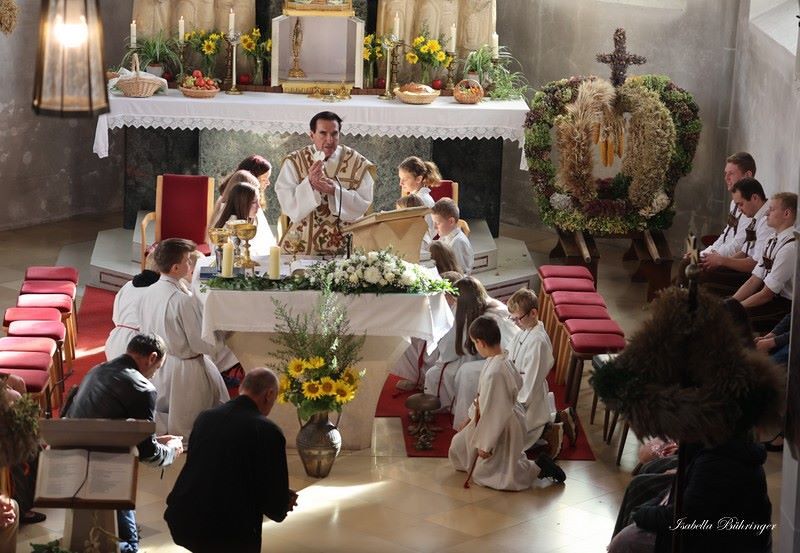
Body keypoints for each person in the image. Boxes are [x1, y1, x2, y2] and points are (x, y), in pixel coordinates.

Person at [62, 334, 184, 553]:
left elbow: (109, 424)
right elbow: (148, 453)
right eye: (157, 368)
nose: (154, 374)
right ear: (152, 357)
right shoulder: (142, 387)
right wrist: (171, 451)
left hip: (72, 461)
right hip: (108, 470)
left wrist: (156, 440)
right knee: (128, 540)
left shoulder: (97, 370)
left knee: (86, 537)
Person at [165, 368, 297, 553]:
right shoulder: (267, 430)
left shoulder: (206, 417)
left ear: (242, 387)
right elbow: (273, 494)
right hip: (228, 529)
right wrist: (283, 503)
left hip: (185, 516)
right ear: (269, 394)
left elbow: (203, 466)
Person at [448, 315, 565, 490]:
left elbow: (496, 411)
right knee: (459, 447)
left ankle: (539, 467)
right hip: (493, 418)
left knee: (497, 476)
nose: (475, 346)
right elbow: (484, 397)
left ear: (481, 343)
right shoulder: (500, 359)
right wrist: (471, 416)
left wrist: (486, 445)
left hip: (503, 426)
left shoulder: (496, 371)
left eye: (474, 342)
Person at [137, 238, 230, 438]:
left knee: (167, 417)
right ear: (175, 267)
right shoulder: (182, 301)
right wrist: (222, 334)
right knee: (190, 426)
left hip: (159, 365)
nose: (190, 264)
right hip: (186, 370)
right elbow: (200, 342)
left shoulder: (147, 292)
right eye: (187, 260)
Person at [275, 111, 375, 255]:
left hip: (346, 245)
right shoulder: (294, 162)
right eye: (323, 133)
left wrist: (335, 191)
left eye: (334, 134)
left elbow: (363, 204)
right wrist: (309, 183)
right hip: (302, 245)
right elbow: (288, 206)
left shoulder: (357, 162)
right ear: (312, 135)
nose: (329, 140)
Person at [431, 277, 519, 425]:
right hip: (488, 356)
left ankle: (467, 422)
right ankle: (457, 411)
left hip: (504, 360)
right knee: (444, 371)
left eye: (456, 300)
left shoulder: (491, 317)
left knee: (466, 372)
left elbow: (505, 349)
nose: (454, 303)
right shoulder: (477, 308)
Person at [505, 288, 574, 452]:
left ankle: (550, 432)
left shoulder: (538, 342)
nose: (516, 323)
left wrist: (517, 403)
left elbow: (532, 379)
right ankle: (560, 417)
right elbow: (509, 355)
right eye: (513, 318)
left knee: (513, 441)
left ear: (533, 313)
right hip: (518, 387)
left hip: (529, 395)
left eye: (518, 318)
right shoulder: (524, 331)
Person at [733, 191, 797, 331]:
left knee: (733, 318)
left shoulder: (790, 248)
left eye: (772, 209)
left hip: (786, 307)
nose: (767, 213)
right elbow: (754, 280)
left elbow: (767, 294)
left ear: (786, 214)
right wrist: (732, 302)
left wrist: (737, 308)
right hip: (771, 299)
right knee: (728, 309)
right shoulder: (771, 239)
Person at [698, 177, 770, 295]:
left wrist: (722, 261)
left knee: (701, 277)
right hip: (744, 269)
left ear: (755, 198)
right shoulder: (756, 216)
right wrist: (720, 263)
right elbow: (745, 251)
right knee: (699, 268)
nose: (739, 210)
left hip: (753, 278)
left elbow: (754, 264)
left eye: (741, 204)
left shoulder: (767, 221)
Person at [104, 258, 160, 361]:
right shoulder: (157, 290)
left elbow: (115, 316)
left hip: (115, 339)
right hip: (137, 345)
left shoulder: (128, 285)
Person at [398, 156, 441, 241]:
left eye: (405, 179)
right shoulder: (414, 196)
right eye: (400, 178)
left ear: (418, 179)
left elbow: (428, 232)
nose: (401, 183)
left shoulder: (423, 200)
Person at [429, 198, 473, 274]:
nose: (435, 227)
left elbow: (459, 273)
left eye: (438, 223)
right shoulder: (445, 235)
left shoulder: (457, 243)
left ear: (451, 221)